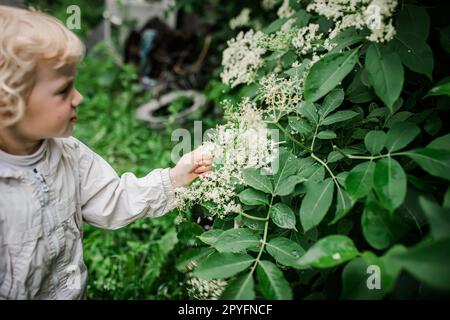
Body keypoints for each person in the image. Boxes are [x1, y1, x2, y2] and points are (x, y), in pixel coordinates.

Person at [0, 5, 212, 299]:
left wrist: (174, 179)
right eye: (63, 91)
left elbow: (112, 199)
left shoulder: (68, 154)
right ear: (8, 106)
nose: (79, 97)